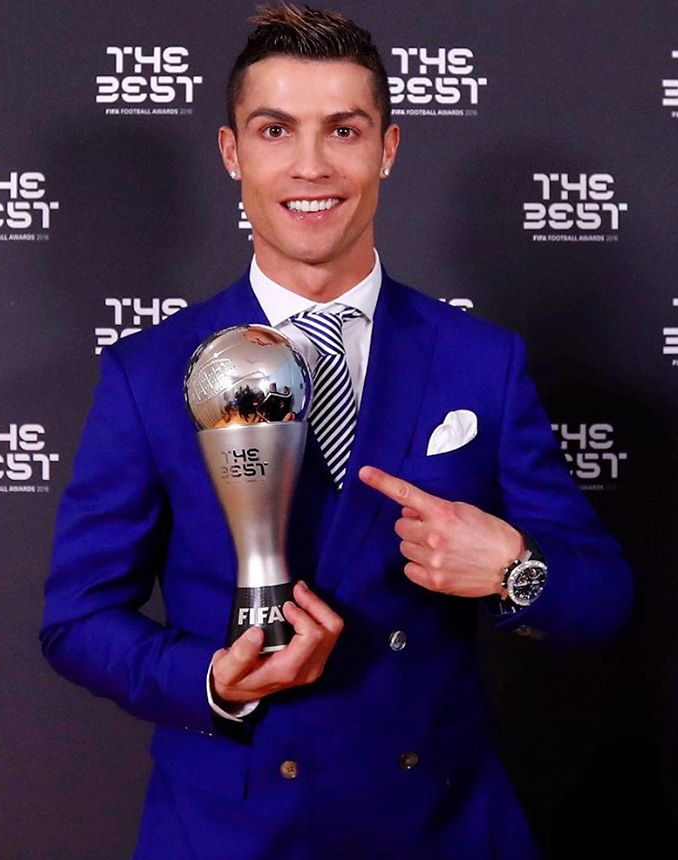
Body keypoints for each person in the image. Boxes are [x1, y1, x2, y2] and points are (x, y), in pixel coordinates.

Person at [40, 5, 633, 858]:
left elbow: (602, 599)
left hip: (440, 825)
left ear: (387, 148)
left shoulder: (481, 361)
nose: (311, 165)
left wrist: (514, 568)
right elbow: (77, 618)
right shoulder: (150, 371)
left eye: (344, 130)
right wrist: (213, 681)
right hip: (235, 831)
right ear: (232, 152)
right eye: (275, 130)